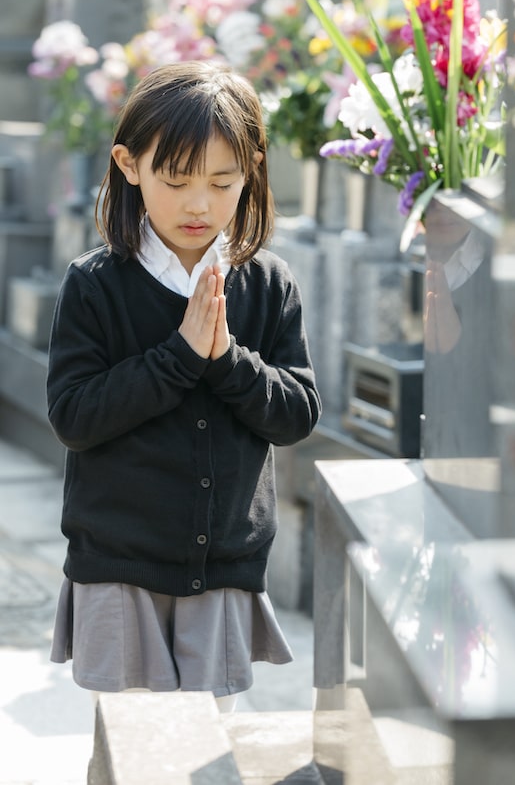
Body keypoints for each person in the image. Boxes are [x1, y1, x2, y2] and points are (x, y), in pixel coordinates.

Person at [47, 61, 322, 710]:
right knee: (133, 748)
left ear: (252, 168)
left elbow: (297, 413)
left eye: (222, 181)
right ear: (129, 163)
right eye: (176, 180)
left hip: (223, 566)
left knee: (209, 750)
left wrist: (225, 358)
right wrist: (178, 357)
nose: (199, 203)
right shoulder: (95, 284)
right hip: (119, 564)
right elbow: (74, 415)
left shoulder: (267, 284)